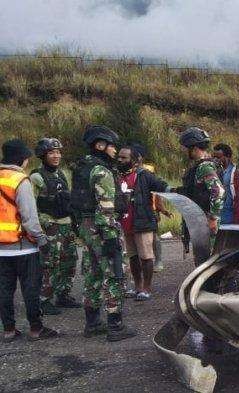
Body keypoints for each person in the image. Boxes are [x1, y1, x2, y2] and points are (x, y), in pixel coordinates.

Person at [71, 125, 136, 341]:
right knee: (115, 273)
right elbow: (106, 207)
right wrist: (110, 237)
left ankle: (92, 323)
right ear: (100, 145)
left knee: (92, 273)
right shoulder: (102, 171)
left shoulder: (82, 167)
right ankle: (115, 326)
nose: (115, 150)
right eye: (111, 146)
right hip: (102, 228)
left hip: (86, 226)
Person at [0, 139, 58, 342]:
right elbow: (29, 216)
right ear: (22, 159)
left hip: (1, 249)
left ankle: (8, 330)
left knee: (4, 290)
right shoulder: (20, 180)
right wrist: (41, 238)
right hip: (23, 246)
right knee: (30, 289)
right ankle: (36, 328)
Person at [29, 138, 80, 316]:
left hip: (66, 225)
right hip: (50, 226)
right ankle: (44, 299)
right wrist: (42, 226)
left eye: (58, 152)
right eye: (52, 152)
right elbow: (31, 205)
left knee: (70, 261)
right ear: (43, 155)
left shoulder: (61, 174)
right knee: (50, 263)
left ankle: (63, 295)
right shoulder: (36, 177)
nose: (56, 155)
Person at [117, 143, 170, 301]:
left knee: (146, 257)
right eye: (119, 157)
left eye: (124, 157)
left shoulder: (144, 175)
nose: (120, 160)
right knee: (132, 257)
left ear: (133, 160)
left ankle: (146, 288)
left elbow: (159, 185)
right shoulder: (116, 175)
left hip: (143, 222)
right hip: (126, 224)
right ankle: (138, 287)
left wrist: (174, 191)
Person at [178, 127, 225, 239]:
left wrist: (213, 218)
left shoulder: (204, 167)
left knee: (208, 256)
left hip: (206, 222)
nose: (183, 151)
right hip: (200, 219)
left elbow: (218, 191)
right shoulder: (202, 165)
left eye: (185, 148)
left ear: (193, 148)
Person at [213, 143, 239, 225]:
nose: (215, 160)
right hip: (218, 218)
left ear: (227, 156)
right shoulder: (216, 172)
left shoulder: (236, 173)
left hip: (231, 219)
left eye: (218, 157)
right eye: (214, 157)